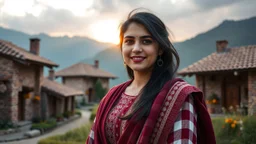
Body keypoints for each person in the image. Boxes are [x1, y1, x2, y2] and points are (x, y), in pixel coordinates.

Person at [86, 9, 216, 144]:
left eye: (146, 41)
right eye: (129, 41)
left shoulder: (178, 97)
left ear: (160, 49)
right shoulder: (111, 96)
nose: (136, 48)